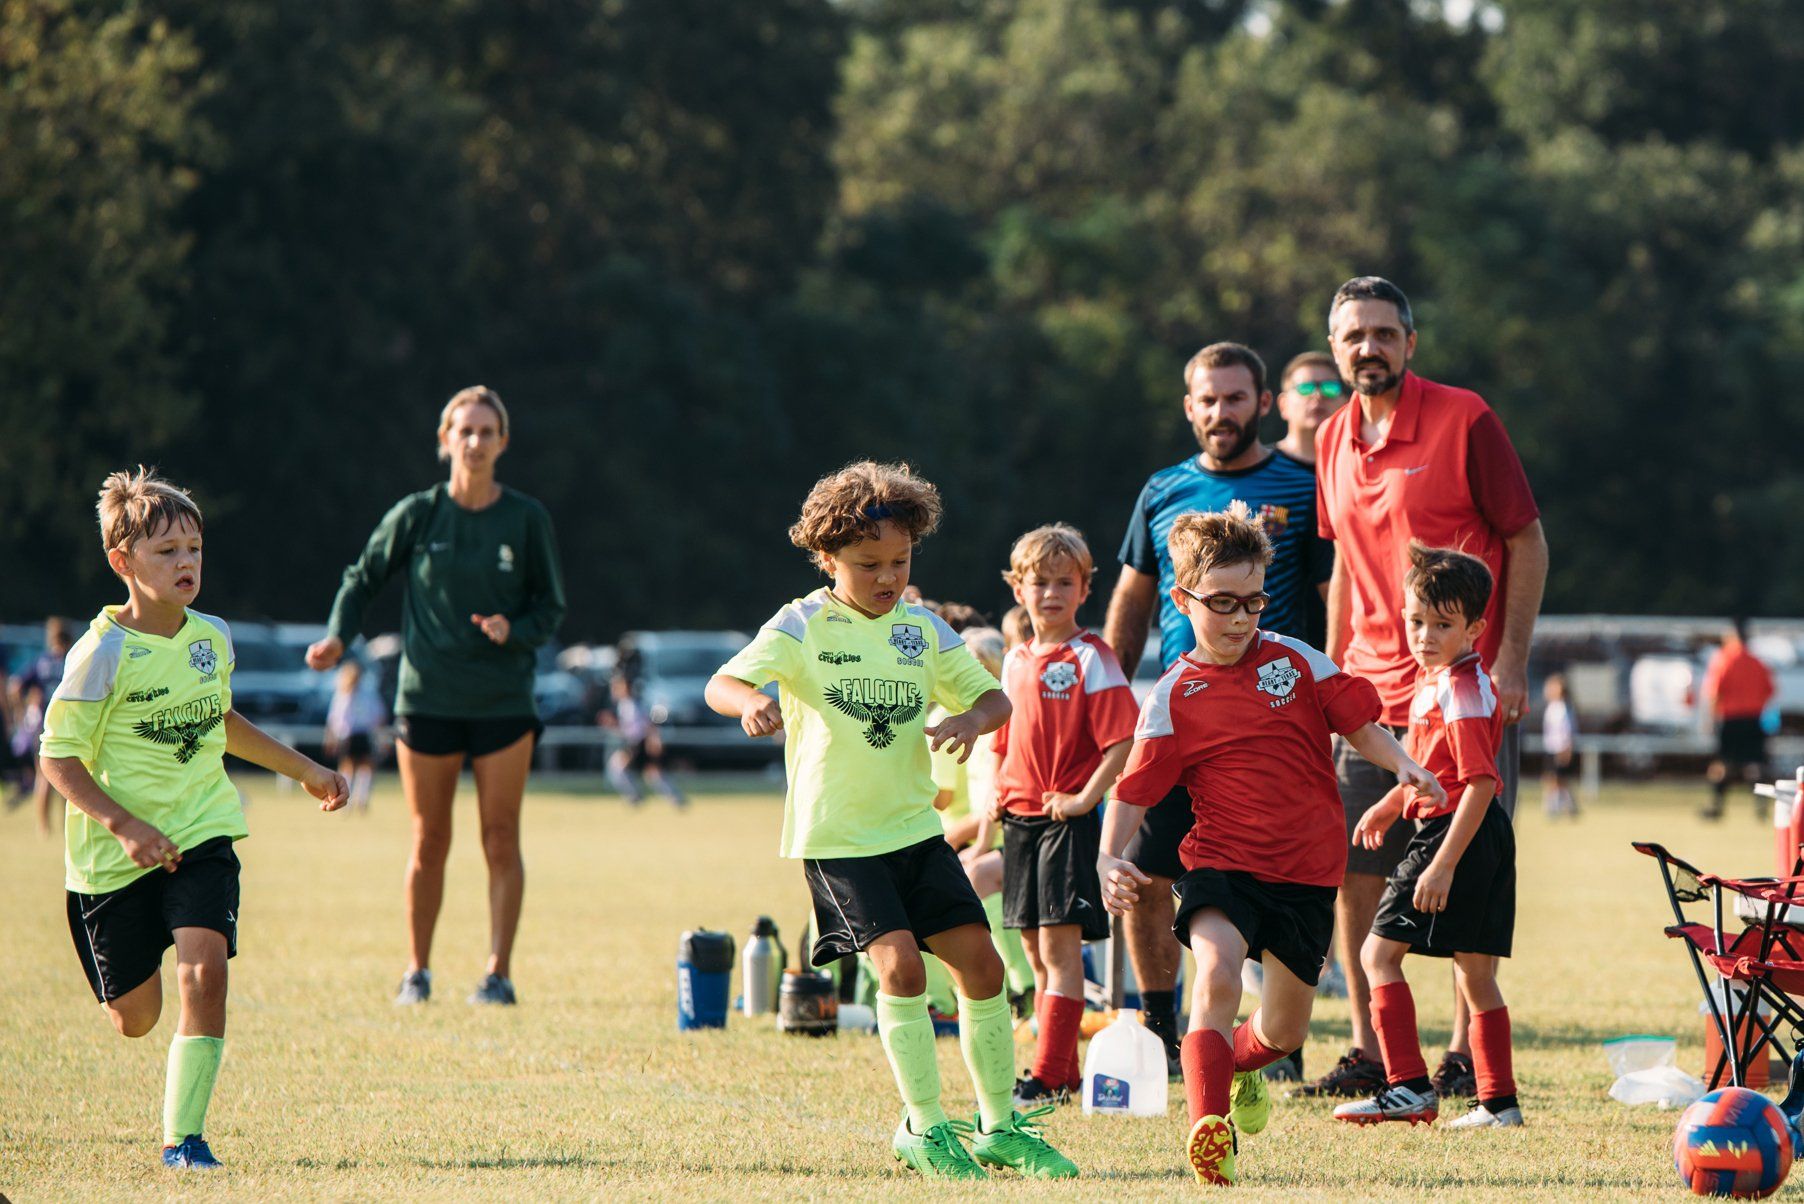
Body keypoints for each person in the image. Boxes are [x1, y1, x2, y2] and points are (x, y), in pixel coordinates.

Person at [705, 460, 1076, 1181]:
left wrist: (971, 717)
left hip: (915, 831)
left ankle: (998, 1126)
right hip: (840, 838)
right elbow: (726, 680)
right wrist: (748, 702)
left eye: (899, 562)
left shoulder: (922, 628)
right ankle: (925, 1126)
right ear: (827, 558)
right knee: (901, 970)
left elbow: (995, 699)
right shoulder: (803, 623)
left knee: (984, 965)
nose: (886, 578)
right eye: (868, 564)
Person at [1097, 502, 1442, 1185]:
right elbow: (1133, 791)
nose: (1241, 618)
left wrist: (1400, 762)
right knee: (1219, 974)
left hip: (1308, 872)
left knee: (1282, 1033)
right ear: (1183, 599)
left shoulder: (1296, 660)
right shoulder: (1173, 695)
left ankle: (1240, 1066)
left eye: (1253, 601)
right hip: (1221, 865)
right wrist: (1110, 855)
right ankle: (1210, 1128)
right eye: (1223, 602)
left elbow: (1359, 722)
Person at [40, 468, 348, 1171]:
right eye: (167, 552)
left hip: (201, 833)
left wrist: (307, 770)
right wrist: (123, 826)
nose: (186, 564)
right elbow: (57, 759)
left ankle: (184, 1139)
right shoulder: (101, 654)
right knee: (135, 1020)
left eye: (194, 549)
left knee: (204, 971)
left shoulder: (212, 637)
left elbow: (221, 722)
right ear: (123, 563)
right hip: (113, 861)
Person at [1309, 276, 1546, 1101]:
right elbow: (1342, 565)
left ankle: (1458, 1058)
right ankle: (1373, 1051)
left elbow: (1527, 538)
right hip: (1370, 695)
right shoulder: (1334, 435)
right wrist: (1331, 674)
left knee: (1462, 866)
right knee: (1356, 865)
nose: (1367, 347)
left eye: (1383, 332)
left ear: (1411, 343)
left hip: (1458, 694)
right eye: (1353, 336)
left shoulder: (1465, 417)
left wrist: (1511, 658)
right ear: (1336, 349)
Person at [1101, 342, 1333, 1073]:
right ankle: (1163, 1028)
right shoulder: (1162, 487)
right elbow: (1133, 596)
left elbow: (1333, 598)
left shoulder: (1304, 482)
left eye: (1235, 398)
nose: (1220, 412)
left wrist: (1328, 705)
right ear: (1189, 406)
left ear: (1263, 405)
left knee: (1265, 876)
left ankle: (1266, 1033)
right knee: (1145, 870)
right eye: (1208, 399)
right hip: (1181, 719)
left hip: (1274, 723)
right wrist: (1105, 699)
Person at [307, 385, 566, 1007]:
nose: (474, 441)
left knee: (501, 839)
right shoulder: (418, 514)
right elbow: (362, 576)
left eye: (486, 431)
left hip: (504, 704)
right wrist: (339, 636)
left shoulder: (526, 518)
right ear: (445, 440)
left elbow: (550, 607)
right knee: (429, 840)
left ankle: (497, 975)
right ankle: (416, 973)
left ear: (503, 443)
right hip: (426, 701)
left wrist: (516, 630)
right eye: (464, 430)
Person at [1334, 544, 1521, 1130]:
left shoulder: (1458, 690)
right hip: (1475, 833)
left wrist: (1441, 864)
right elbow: (1432, 770)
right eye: (1416, 621)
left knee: (1376, 954)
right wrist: (1393, 803)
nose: (1424, 635)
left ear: (1476, 628)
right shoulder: (1440, 679)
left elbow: (1481, 782)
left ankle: (1408, 1087)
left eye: (1442, 624)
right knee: (1475, 972)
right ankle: (1498, 1102)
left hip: (1455, 835)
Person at [993, 524, 1137, 1108]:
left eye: (1064, 582)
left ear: (1084, 589)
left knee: (1059, 951)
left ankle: (1050, 1074)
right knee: (1032, 949)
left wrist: (1083, 799)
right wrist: (994, 797)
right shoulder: (1014, 659)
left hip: (1065, 823)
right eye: (1039, 582)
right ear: (1017, 589)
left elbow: (1124, 742)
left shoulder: (1092, 657)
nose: (1050, 593)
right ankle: (1063, 1068)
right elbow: (1003, 741)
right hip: (1019, 821)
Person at [1701, 619, 1776, 821]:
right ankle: (1761, 808)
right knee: (1756, 766)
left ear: (1732, 636)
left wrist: (1710, 718)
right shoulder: (1757, 663)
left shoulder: (1724, 660)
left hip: (1731, 719)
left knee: (1722, 764)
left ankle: (1716, 807)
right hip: (1753, 719)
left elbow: (1714, 692)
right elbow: (1770, 691)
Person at [14, 616, 74, 834]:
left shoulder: (42, 661)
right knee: (73, 775)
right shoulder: (74, 660)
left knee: (44, 775)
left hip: (43, 726)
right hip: (69, 725)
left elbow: (16, 686)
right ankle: (68, 824)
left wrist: (21, 713)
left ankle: (43, 826)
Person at [604, 673, 687, 808]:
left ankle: (636, 796)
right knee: (653, 774)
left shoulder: (632, 704)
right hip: (636, 742)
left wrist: (653, 739)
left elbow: (646, 725)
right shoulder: (625, 704)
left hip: (639, 743)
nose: (614, 690)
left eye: (617, 686)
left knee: (618, 768)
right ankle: (674, 798)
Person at [324, 660, 385, 813]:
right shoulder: (343, 694)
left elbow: (377, 715)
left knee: (366, 767)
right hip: (348, 735)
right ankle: (346, 800)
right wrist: (332, 737)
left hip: (362, 733)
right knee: (349, 767)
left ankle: (362, 799)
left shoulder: (367, 693)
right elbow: (334, 719)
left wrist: (379, 735)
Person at [1273, 351, 1346, 469]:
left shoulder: (1359, 465)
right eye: (1305, 388)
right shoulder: (1258, 468)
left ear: (1346, 403)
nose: (1318, 395)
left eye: (1329, 388)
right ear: (1283, 405)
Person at [1541, 673, 1578, 819]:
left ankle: (1557, 807)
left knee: (1558, 780)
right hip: (1551, 748)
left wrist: (1566, 749)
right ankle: (1566, 805)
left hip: (1560, 748)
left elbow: (1568, 730)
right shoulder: (1552, 707)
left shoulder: (1563, 708)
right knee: (1552, 779)